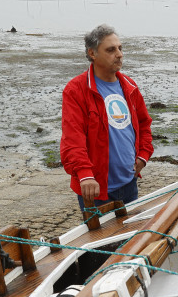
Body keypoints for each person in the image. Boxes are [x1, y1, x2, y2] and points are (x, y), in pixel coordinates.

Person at [61, 24, 153, 210]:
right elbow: (73, 139)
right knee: (100, 239)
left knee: (131, 237)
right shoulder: (76, 90)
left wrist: (143, 155)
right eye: (111, 50)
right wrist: (85, 174)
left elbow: (144, 124)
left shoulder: (129, 86)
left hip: (129, 183)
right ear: (93, 54)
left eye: (120, 48)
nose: (119, 54)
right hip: (95, 189)